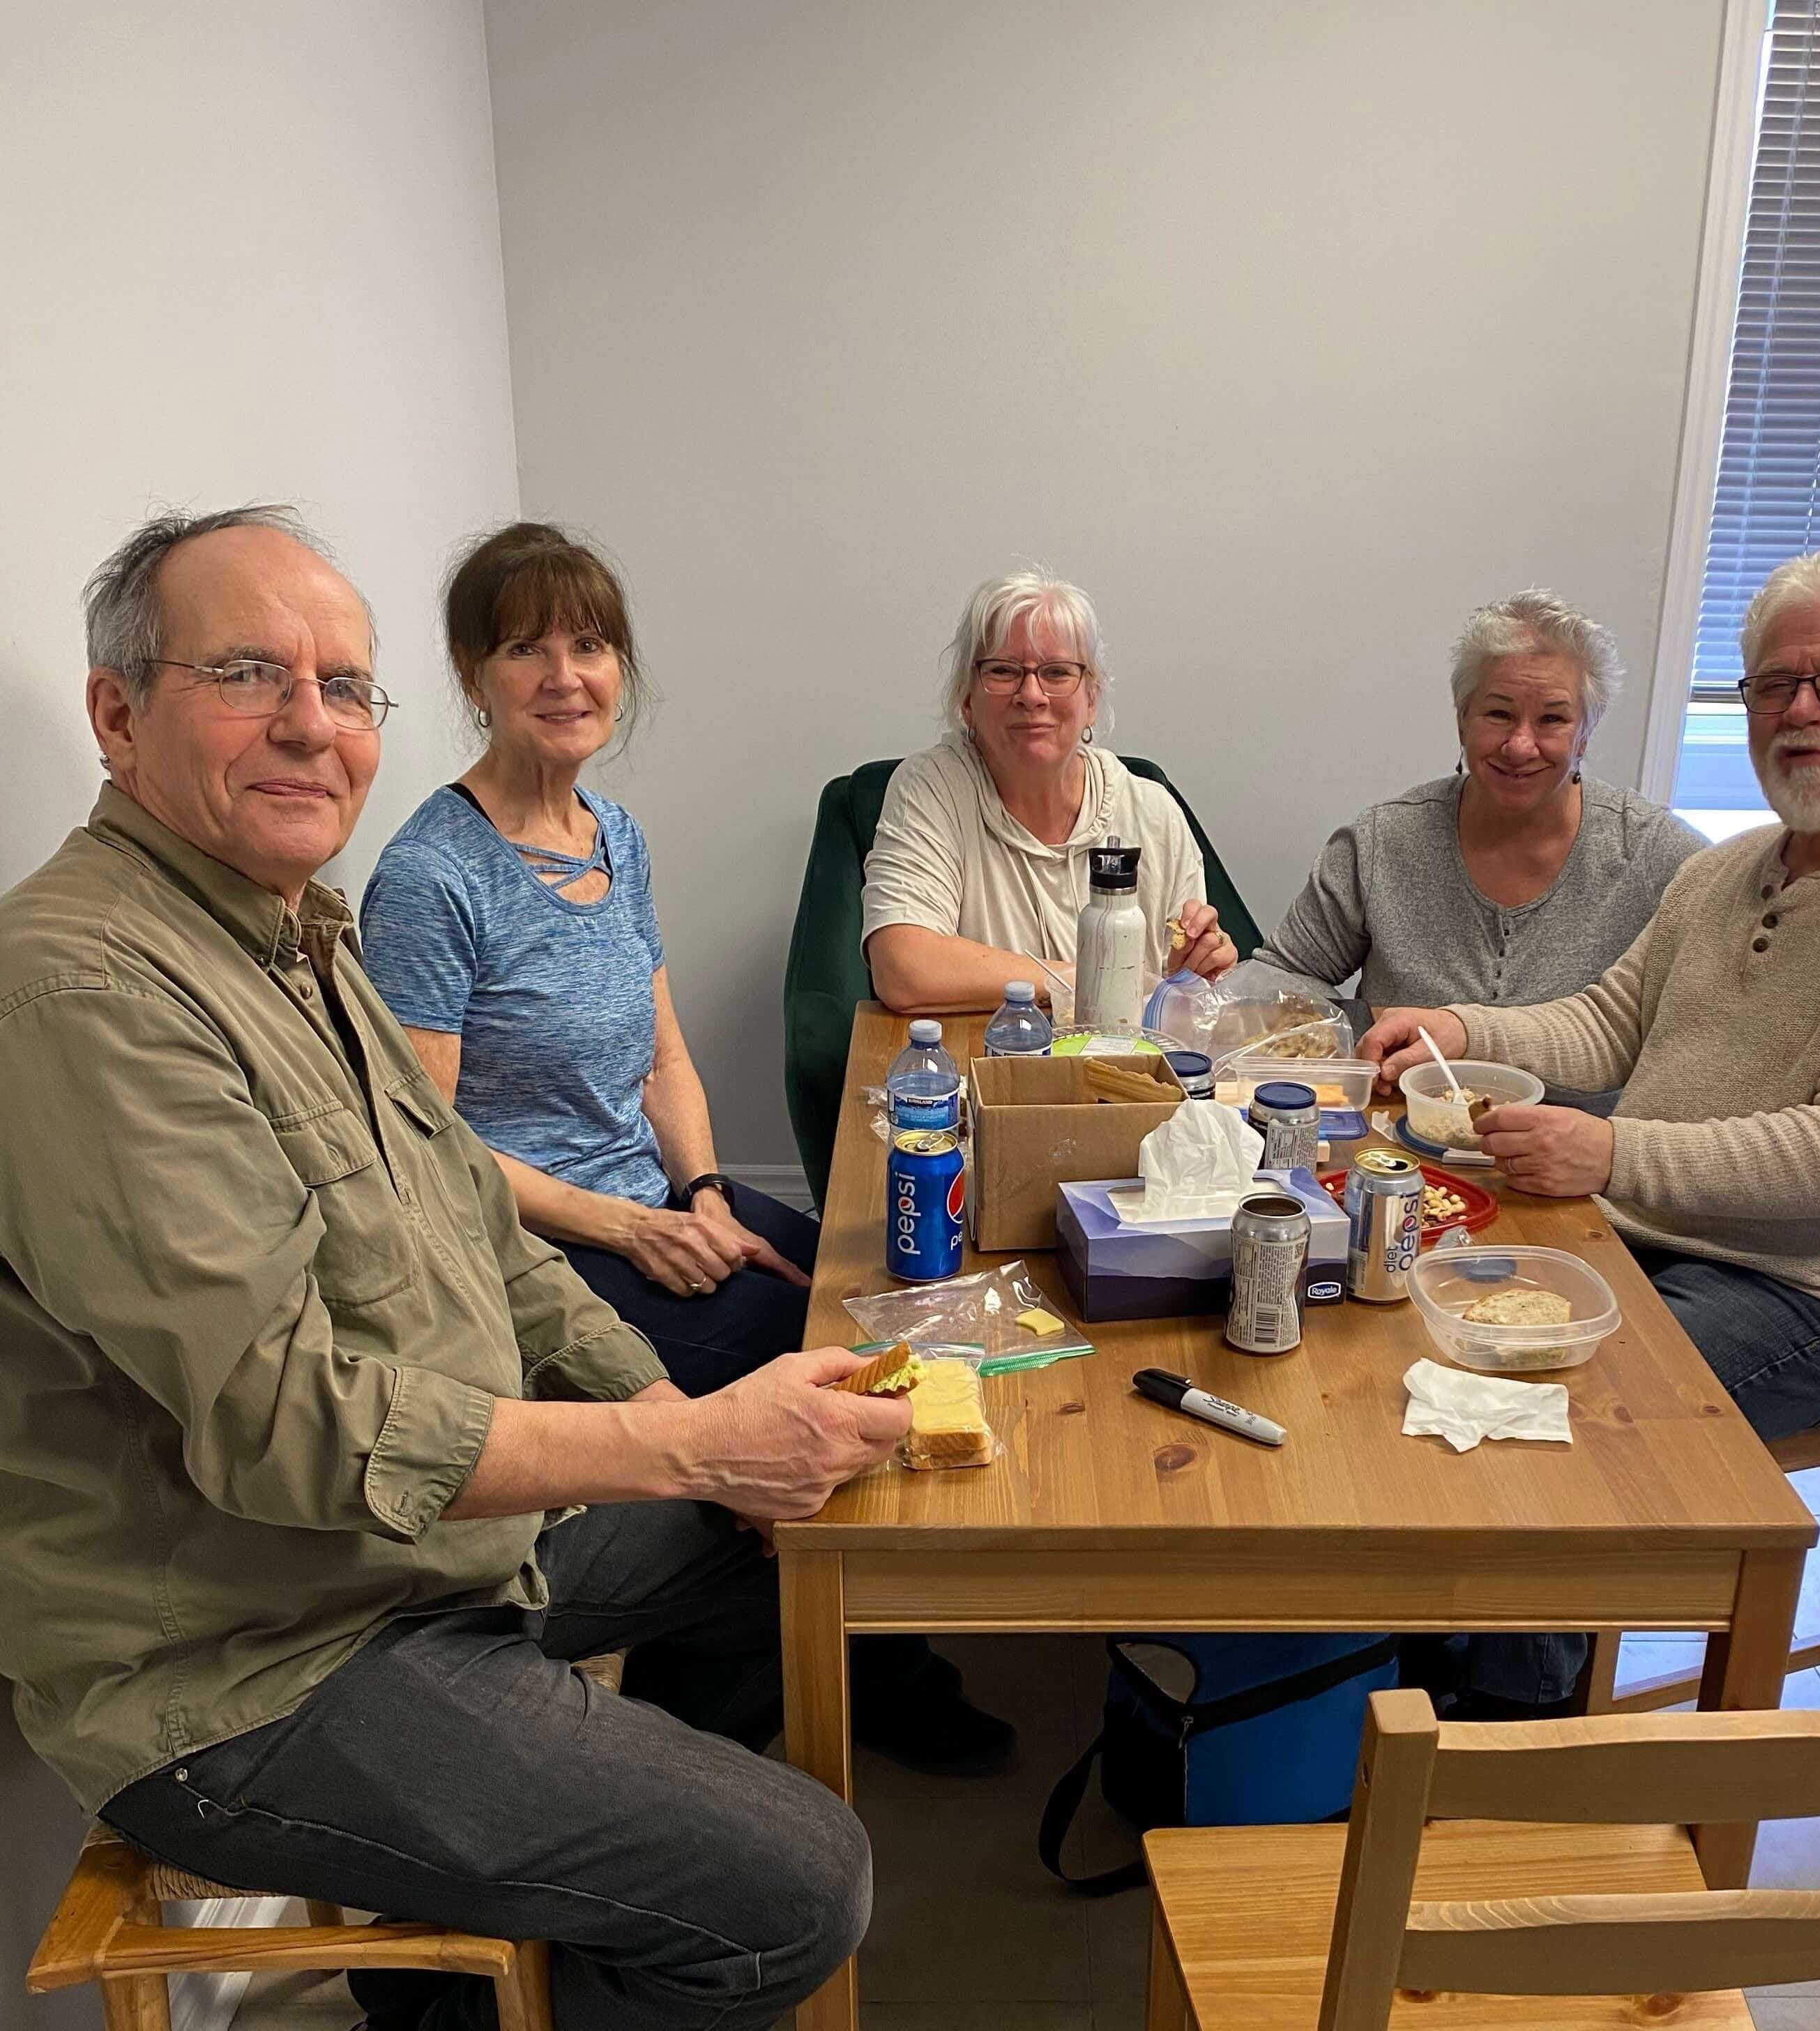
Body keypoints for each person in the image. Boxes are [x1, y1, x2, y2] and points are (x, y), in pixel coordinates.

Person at [0, 508, 903, 2031]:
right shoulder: (84, 987)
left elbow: (492, 1248)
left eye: (346, 688)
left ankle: (535, 1895)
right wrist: (681, 1436)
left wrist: (699, 1442)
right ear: (116, 713)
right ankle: (581, 1868)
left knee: (794, 1543)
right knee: (806, 1884)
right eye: (246, 674)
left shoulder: (301, 933)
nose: (310, 724)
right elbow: (291, 1425)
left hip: (425, 1554)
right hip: (257, 1661)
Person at [358, 520, 1012, 1776]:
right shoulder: (431, 879)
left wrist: (704, 1188)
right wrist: (632, 1226)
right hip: (534, 1257)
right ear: (470, 672)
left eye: (590, 643)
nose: (565, 674)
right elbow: (427, 1151)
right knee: (810, 1377)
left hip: (657, 1203)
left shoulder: (615, 835)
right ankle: (724, 1704)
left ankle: (836, 1647)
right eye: (525, 646)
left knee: (884, 1304)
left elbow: (663, 1058)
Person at [1367, 548, 1820, 1442]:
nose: (1801, 710)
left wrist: (1610, 1153)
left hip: (1819, 1305)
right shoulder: (1725, 869)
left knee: (1510, 1415)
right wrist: (1461, 1024)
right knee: (1395, 1317)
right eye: (1774, 684)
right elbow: (1611, 1023)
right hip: (1647, 1237)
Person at [1258, 588, 1704, 1108]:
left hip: (1572, 1170)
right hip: (1393, 1151)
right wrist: (1353, 1028)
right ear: (1462, 720)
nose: (1520, 745)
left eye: (1553, 720)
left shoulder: (1659, 857)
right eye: (1498, 714)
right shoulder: (1382, 843)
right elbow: (1280, 978)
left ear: (1586, 733)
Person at [863, 568, 1238, 1013]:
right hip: (984, 1069)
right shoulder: (931, 790)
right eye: (1003, 672)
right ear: (966, 700)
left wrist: (1193, 973)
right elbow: (905, 970)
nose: (1031, 694)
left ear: (1092, 700)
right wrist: (1084, 979)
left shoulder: (1152, 812)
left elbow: (1187, 1001)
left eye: (1057, 673)